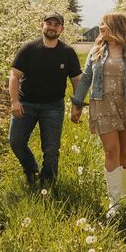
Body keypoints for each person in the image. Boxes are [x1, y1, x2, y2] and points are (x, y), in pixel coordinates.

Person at [71, 13, 126, 217]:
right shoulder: (96, 50)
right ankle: (114, 203)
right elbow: (86, 78)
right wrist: (77, 104)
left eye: (104, 25)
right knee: (110, 151)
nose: (100, 28)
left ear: (116, 27)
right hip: (102, 105)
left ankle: (123, 198)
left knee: (125, 152)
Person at [9, 12, 81, 188]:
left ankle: (47, 184)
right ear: (42, 25)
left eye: (56, 25)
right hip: (26, 104)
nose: (52, 27)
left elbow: (77, 81)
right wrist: (15, 101)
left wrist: (76, 105)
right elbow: (14, 75)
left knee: (50, 150)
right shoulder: (28, 49)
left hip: (53, 106)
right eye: (49, 23)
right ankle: (32, 170)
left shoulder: (68, 52)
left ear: (62, 29)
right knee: (16, 142)